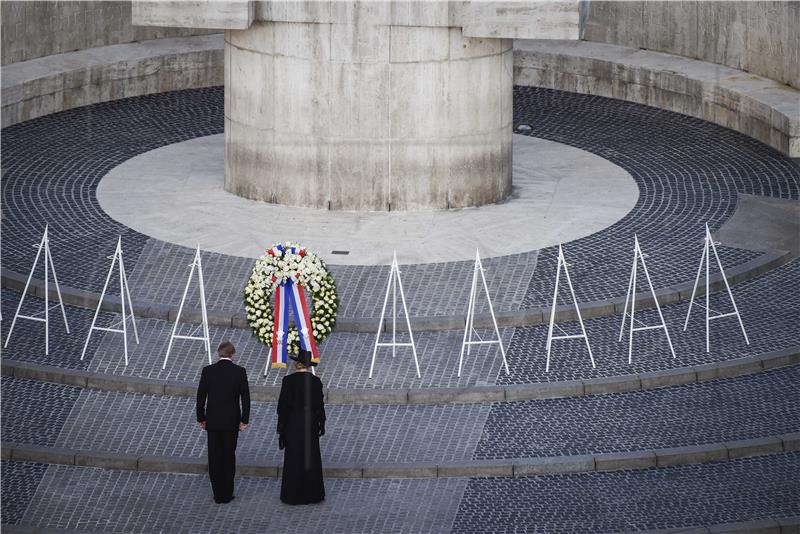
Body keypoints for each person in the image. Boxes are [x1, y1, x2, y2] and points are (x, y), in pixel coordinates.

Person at [196, 340, 251, 504]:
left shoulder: (208, 371)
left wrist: (201, 418)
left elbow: (201, 397)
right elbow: (245, 398)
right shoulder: (239, 372)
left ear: (219, 354)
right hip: (231, 421)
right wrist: (244, 419)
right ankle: (227, 493)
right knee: (228, 456)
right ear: (232, 354)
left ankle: (217, 493)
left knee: (214, 456)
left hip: (212, 421)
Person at [277, 349, 326, 505]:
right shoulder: (316, 382)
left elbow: (282, 407)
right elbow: (319, 406)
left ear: (297, 364)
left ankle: (293, 494)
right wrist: (320, 423)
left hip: (293, 422)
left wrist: (282, 427)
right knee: (310, 457)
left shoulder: (288, 381)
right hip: (310, 422)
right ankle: (312, 493)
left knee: (293, 457)